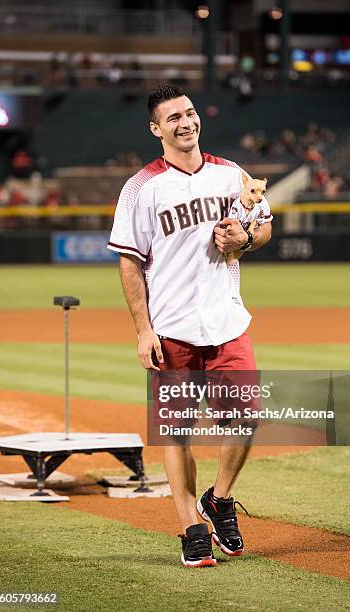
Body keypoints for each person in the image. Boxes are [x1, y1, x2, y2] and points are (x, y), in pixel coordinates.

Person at [108, 84, 272, 568]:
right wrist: (143, 329)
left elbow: (261, 227)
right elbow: (130, 264)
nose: (186, 122)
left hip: (227, 320)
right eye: (173, 117)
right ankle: (191, 527)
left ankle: (218, 500)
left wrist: (245, 237)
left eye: (190, 112)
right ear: (156, 129)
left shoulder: (231, 174)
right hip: (172, 328)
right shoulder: (141, 187)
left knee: (244, 420)